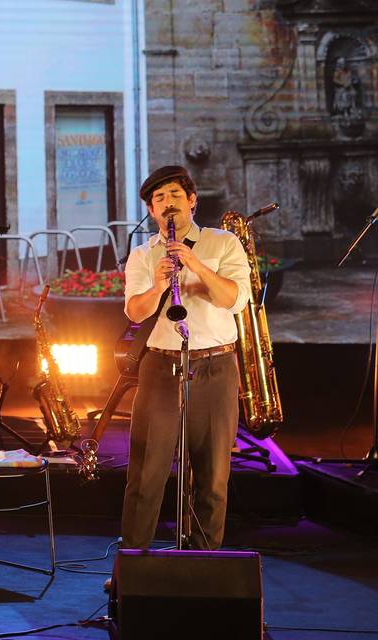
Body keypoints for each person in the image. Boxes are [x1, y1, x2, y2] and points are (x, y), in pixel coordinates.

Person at [120, 165, 250, 551]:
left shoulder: (223, 242)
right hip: (161, 365)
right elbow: (134, 312)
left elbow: (234, 300)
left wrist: (194, 264)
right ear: (152, 210)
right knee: (146, 474)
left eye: (175, 195)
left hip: (215, 365)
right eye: (159, 199)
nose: (167, 203)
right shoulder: (143, 254)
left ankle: (202, 565)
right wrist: (160, 284)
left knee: (211, 477)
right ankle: (132, 564)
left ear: (192, 201)